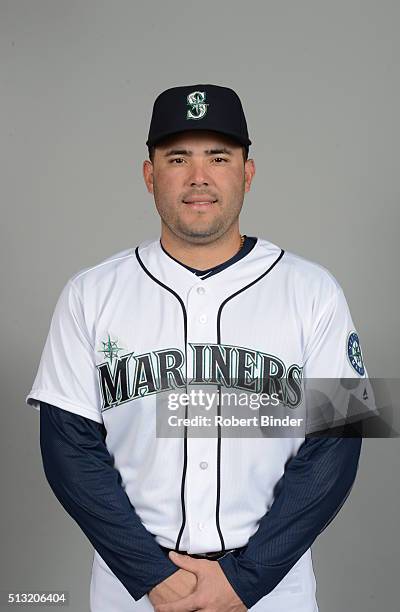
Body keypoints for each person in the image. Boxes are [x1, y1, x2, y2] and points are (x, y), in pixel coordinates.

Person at [26, 84, 370, 611]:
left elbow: (338, 445)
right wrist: (150, 575)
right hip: (134, 586)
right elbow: (68, 449)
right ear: (149, 175)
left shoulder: (314, 290)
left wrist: (245, 581)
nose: (198, 177)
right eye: (177, 157)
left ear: (247, 173)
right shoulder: (90, 294)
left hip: (272, 587)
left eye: (219, 157)